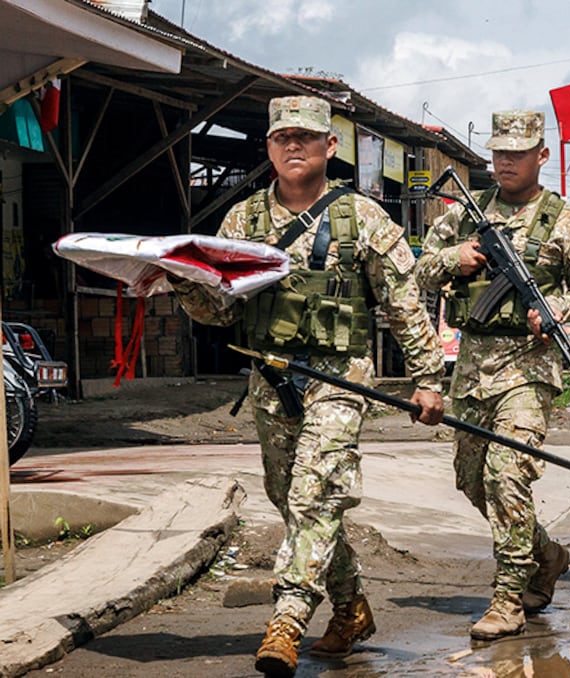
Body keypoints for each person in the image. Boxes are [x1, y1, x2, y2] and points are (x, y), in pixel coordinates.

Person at [170, 96, 446, 678]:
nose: (292, 145)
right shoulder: (242, 221)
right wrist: (180, 284)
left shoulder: (364, 219)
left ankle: (287, 620)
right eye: (280, 137)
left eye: (305, 136)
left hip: (340, 379)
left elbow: (404, 306)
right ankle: (350, 608)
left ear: (330, 146)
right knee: (293, 499)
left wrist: (427, 380)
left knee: (312, 494)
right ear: (268, 148)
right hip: (270, 378)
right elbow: (220, 311)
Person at [416, 110, 570, 640]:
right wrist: (459, 257)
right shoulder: (466, 214)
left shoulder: (563, 220)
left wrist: (558, 308)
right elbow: (420, 268)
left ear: (541, 156)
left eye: (517, 154)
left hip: (530, 369)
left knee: (507, 475)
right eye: (498, 153)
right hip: (473, 369)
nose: (505, 162)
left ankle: (507, 599)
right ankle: (546, 555)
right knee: (472, 481)